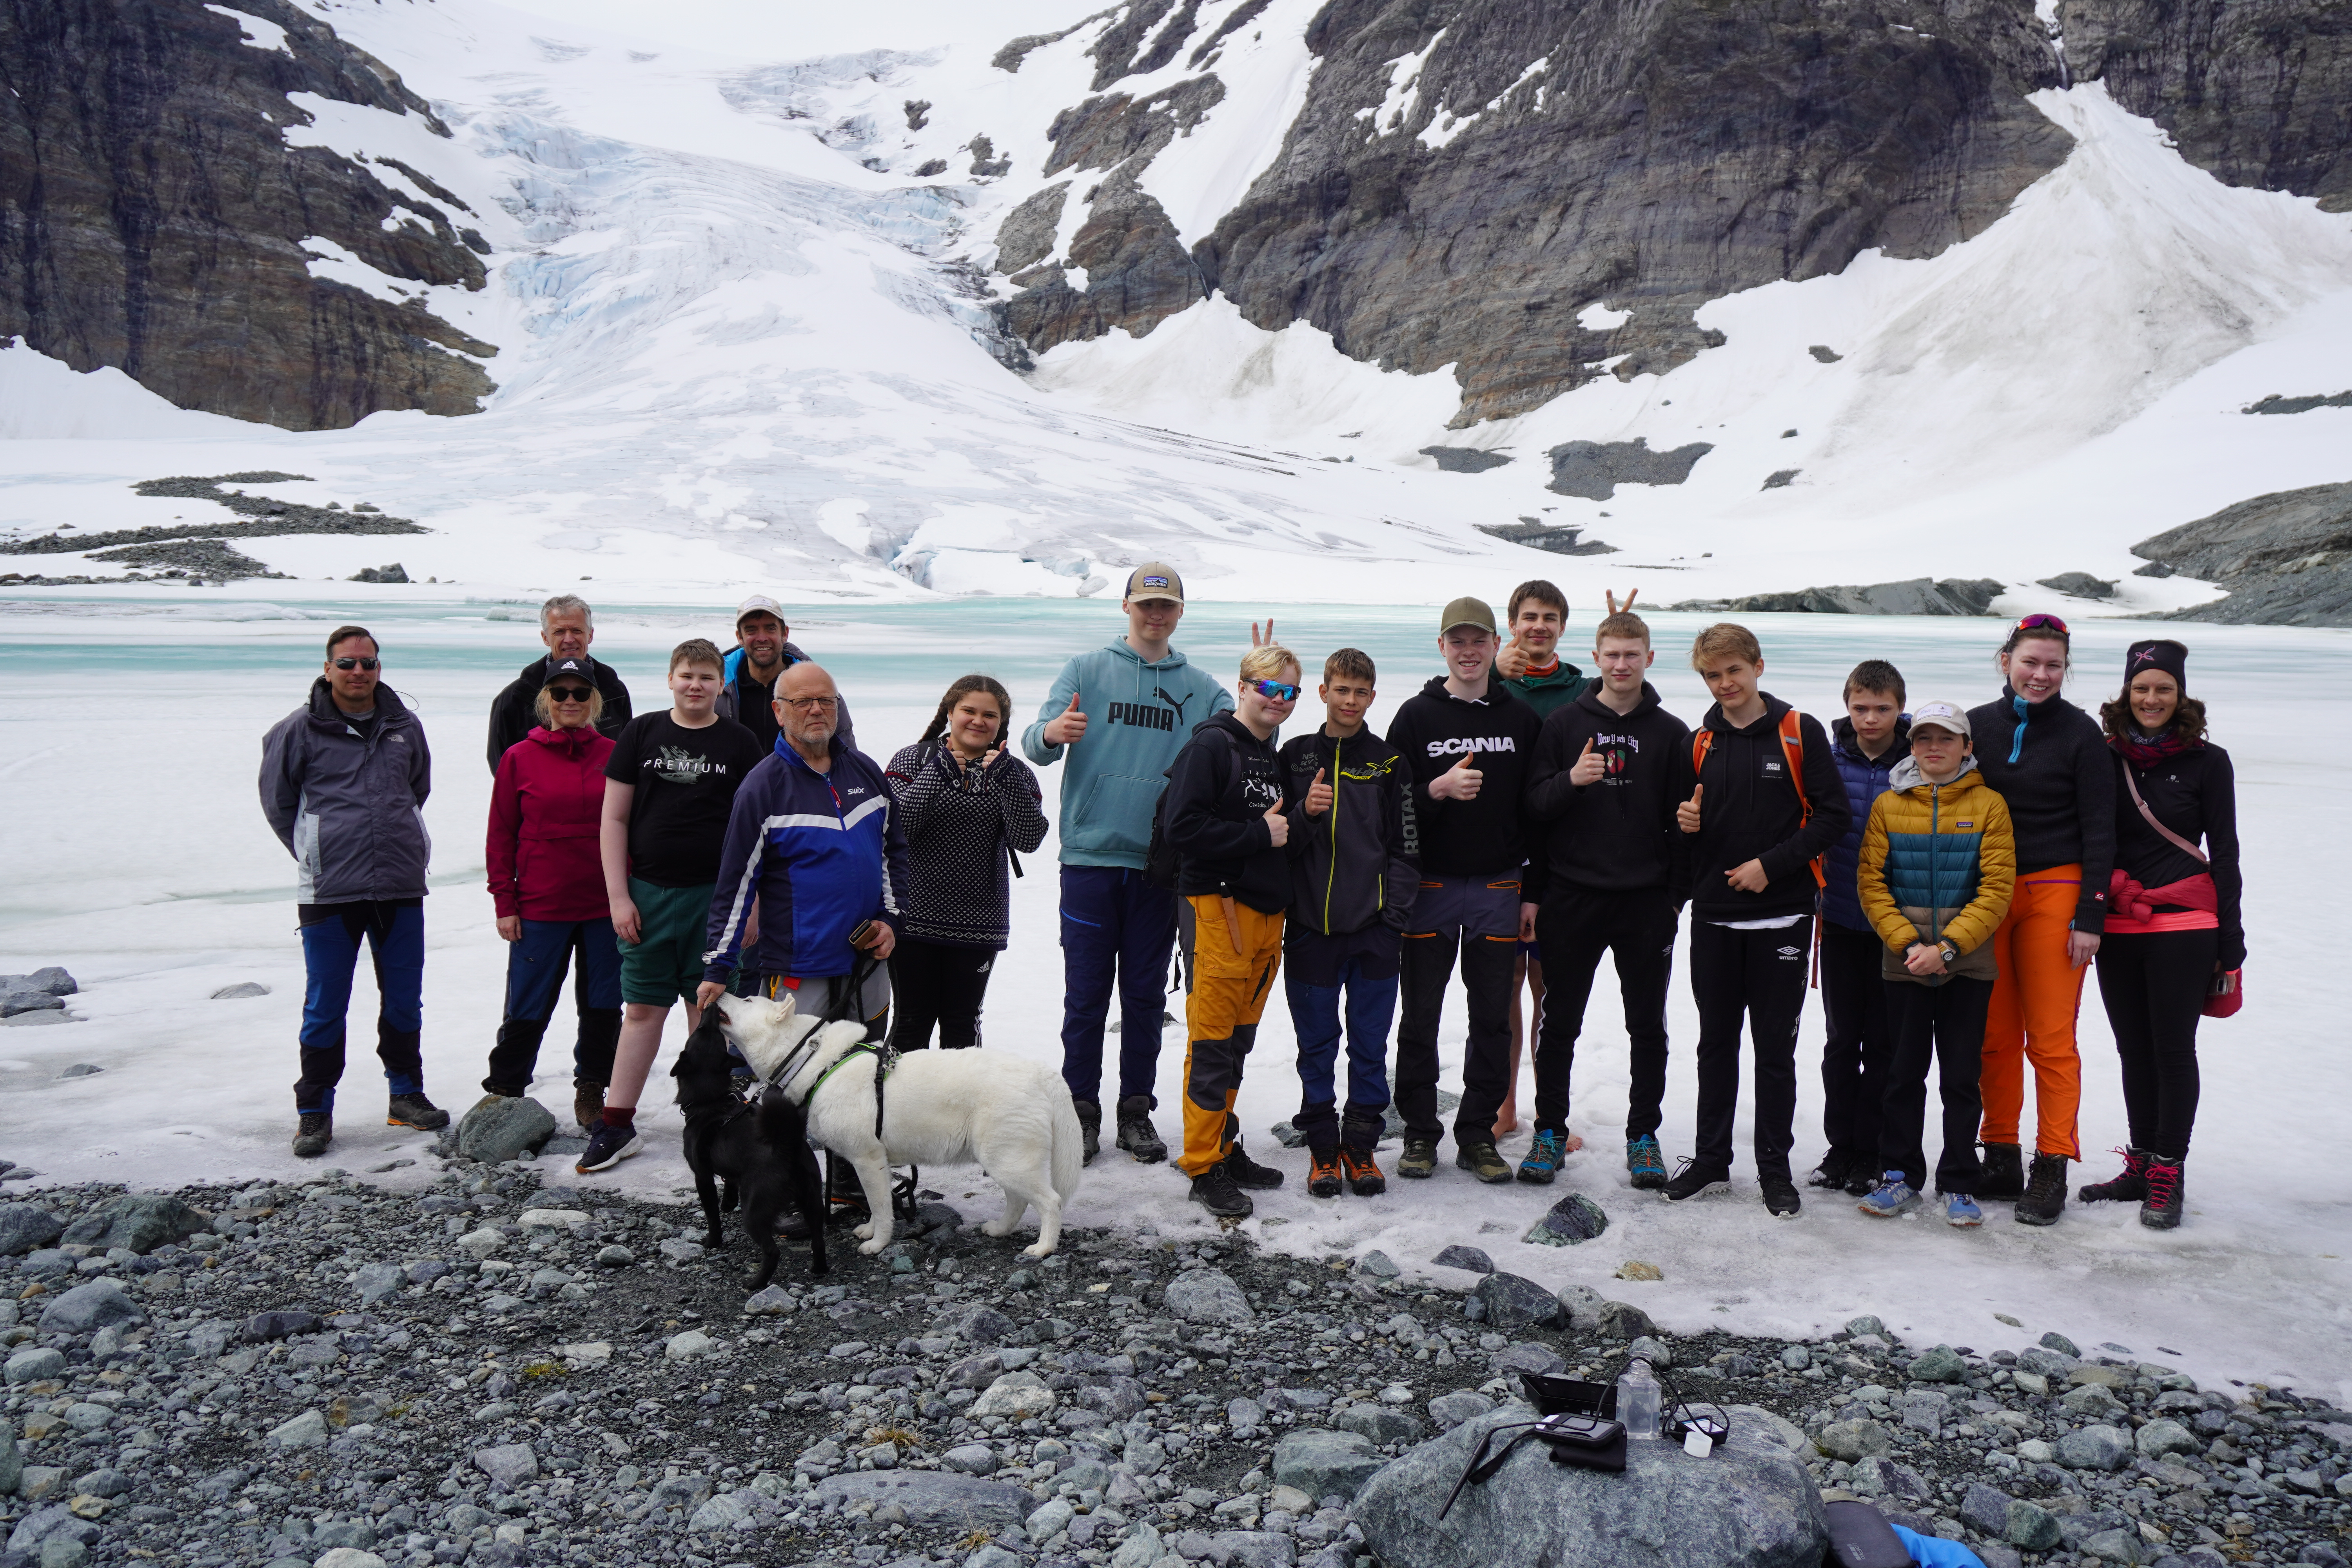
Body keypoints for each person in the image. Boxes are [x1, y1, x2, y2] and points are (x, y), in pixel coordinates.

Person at [1020, 564, 1234, 1166]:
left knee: (1144, 998)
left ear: (1180, 613)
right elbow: (1033, 743)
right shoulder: (1086, 670)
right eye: (1145, 604)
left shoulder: (1199, 685)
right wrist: (1055, 731)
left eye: (1166, 606)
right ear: (1126, 607)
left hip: (1159, 866)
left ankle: (1136, 1111)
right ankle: (1080, 1113)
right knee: (1086, 997)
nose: (1155, 615)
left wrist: (1263, 677)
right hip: (1090, 858)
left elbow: (1248, 731)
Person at [1670, 622, 1849, 1215]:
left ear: (1758, 668)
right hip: (1715, 919)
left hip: (1783, 917)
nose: (1725, 684)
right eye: (1712, 675)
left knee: (1774, 1051)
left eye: (1733, 672)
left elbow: (1832, 817)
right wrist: (1686, 827)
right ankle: (1712, 1159)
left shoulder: (1799, 732)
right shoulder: (1701, 742)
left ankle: (1775, 1170)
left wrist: (1771, 868)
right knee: (1715, 1046)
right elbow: (1688, 823)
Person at [578, 639, 766, 1174]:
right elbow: (613, 820)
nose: (696, 686)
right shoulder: (641, 733)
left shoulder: (740, 742)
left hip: (717, 899)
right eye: (686, 675)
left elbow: (757, 830)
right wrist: (619, 897)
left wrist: (750, 904)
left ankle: (708, 1125)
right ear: (670, 679)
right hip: (648, 896)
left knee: (706, 1015)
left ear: (722, 685)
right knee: (640, 1009)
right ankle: (616, 1123)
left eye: (707, 677)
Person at [260, 625, 449, 1157]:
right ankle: (314, 1111)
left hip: (399, 884)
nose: (358, 672)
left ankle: (405, 1095)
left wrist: (395, 838)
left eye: (367, 663)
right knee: (325, 1004)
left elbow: (419, 789)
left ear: (379, 668)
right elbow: (279, 804)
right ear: (328, 669)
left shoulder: (403, 726)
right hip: (330, 892)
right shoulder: (297, 730)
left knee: (404, 1000)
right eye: (347, 664)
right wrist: (317, 850)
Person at [1521, 606, 1690, 1188]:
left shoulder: (1671, 733)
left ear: (1648, 657)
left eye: (1632, 654)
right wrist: (1573, 780)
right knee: (1560, 1021)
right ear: (1596, 659)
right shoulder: (1565, 725)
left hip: (1645, 902)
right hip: (1573, 897)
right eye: (1611, 655)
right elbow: (1535, 809)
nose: (1622, 664)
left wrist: (1675, 898)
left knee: (1647, 1026)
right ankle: (1549, 1131)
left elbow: (1684, 823)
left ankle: (1643, 1136)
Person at [2079, 640, 2241, 1230]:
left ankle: (2169, 1169)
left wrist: (2232, 940)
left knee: (2172, 1049)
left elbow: (2224, 851)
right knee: (2132, 1049)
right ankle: (2142, 1162)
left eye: (2163, 689)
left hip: (2188, 923)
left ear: (2180, 695)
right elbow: (2090, 835)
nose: (2151, 698)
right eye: (2142, 688)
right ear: (2126, 692)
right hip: (2120, 920)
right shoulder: (2101, 756)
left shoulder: (2208, 761)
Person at [1385, 596, 1545, 1185]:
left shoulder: (1521, 719)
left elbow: (1539, 812)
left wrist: (1535, 890)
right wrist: (1437, 790)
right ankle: (1421, 1134)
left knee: (1492, 1018)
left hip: (1500, 885)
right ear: (1442, 647)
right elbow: (1390, 806)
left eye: (1479, 641)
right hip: (1430, 884)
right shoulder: (1415, 717)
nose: (1469, 651)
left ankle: (1478, 1134)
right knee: (1421, 1014)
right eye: (1458, 641)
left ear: (1495, 644)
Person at [1968, 614, 2114, 1226]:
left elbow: (2101, 829)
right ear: (2007, 661)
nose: (2042, 674)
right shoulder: (1974, 726)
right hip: (1991, 890)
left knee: (2051, 1038)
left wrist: (2091, 915)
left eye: (2054, 665)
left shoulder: (2083, 736)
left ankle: (2051, 1161)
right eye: (2031, 661)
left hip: (2058, 889)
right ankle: (2000, 1151)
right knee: (1994, 1035)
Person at [1854, 701, 2015, 1229]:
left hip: (1968, 966)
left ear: (1967, 747)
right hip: (1904, 964)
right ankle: (1899, 1175)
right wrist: (1907, 944)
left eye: (1946, 739)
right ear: (1913, 746)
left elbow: (1996, 890)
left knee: (1962, 1076)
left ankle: (1960, 1181)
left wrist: (1946, 948)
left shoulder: (1990, 805)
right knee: (1902, 1073)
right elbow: (1872, 883)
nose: (1934, 748)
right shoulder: (1888, 805)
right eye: (1924, 739)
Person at [1278, 648, 1419, 1199]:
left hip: (1374, 936)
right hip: (1312, 932)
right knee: (1316, 1046)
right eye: (1342, 690)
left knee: (1369, 1048)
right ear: (1324, 692)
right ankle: (1320, 1149)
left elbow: (1407, 849)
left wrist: (1393, 923)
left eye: (1361, 693)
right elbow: (1278, 843)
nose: (1351, 701)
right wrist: (1305, 814)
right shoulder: (1294, 757)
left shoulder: (1389, 764)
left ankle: (1360, 1147)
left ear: (1373, 697)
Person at [697, 662, 906, 1033]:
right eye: (803, 701)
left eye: (826, 701)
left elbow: (893, 853)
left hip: (867, 964)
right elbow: (736, 885)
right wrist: (719, 967)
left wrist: (890, 921)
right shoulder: (762, 788)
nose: (816, 710)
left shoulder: (866, 772)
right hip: (800, 971)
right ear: (778, 711)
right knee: (797, 1083)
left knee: (866, 1073)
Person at [1164, 645, 1299, 1218]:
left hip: (1266, 918)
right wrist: (1256, 837)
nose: (1278, 701)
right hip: (1217, 910)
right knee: (1213, 1041)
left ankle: (1223, 1141)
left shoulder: (1270, 755)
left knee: (1238, 1041)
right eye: (1268, 688)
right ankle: (1202, 1163)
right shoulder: (1211, 745)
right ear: (1242, 686)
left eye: (1289, 692)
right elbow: (1181, 827)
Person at [482, 658, 622, 1129]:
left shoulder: (615, 755)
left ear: (593, 702)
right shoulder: (519, 757)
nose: (569, 701)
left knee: (603, 1004)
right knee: (527, 1004)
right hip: (541, 906)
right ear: (545, 701)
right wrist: (505, 903)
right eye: (559, 693)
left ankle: (592, 1088)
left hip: (606, 907)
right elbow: (501, 835)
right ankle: (506, 1089)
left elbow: (634, 830)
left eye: (580, 694)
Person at [882, 675, 1049, 1051]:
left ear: (1000, 723)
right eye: (969, 711)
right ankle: (898, 1110)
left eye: (989, 715)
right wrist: (937, 774)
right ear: (950, 713)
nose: (978, 721)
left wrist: (1007, 782)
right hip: (912, 918)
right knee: (911, 1020)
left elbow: (1030, 839)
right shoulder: (913, 759)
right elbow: (898, 829)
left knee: (963, 1024)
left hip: (980, 923)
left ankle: (957, 1110)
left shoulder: (1016, 772)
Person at [1810, 661, 1913, 1198]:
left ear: (1900, 708)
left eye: (1883, 709)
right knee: (1841, 1041)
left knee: (1887, 1044)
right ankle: (1840, 1146)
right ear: (1847, 705)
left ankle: (1874, 1149)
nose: (1871, 718)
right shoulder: (1827, 760)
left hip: (1897, 927)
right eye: (1861, 708)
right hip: (1841, 921)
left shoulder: (1920, 761)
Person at [1490, 579, 1588, 1137]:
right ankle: (1504, 1108)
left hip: (1563, 859)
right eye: (1529, 617)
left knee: (1551, 992)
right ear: (1512, 623)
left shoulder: (1581, 691)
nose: (1539, 626)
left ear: (1562, 628)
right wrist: (1497, 676)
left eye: (1550, 618)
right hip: (1505, 853)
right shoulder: (1494, 685)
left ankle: (1553, 1112)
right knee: (1503, 987)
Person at [485, 594, 632, 770]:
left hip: (603, 797)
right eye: (559, 632)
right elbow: (502, 768)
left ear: (590, 634)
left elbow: (626, 757)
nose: (569, 639)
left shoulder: (615, 691)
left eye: (577, 630)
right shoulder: (515, 698)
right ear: (546, 638)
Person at [716, 595, 856, 757]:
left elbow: (846, 753)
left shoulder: (819, 689)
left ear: (785, 634)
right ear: (740, 637)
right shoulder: (720, 690)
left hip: (802, 782)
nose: (762, 638)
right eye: (751, 630)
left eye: (771, 629)